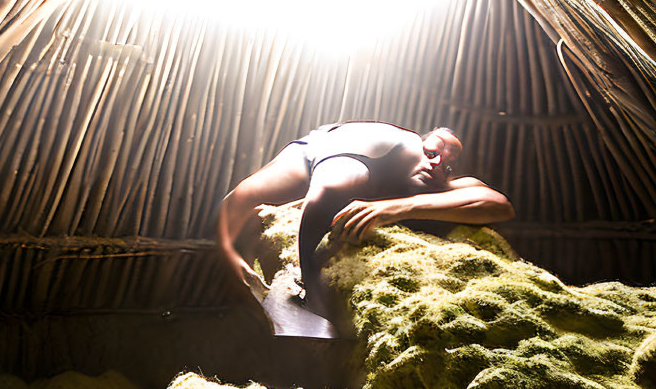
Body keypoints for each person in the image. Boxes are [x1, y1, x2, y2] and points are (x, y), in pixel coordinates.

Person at [216, 121, 513, 313]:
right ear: (419, 145)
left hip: (345, 182)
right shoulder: (388, 150)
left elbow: (499, 204)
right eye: (432, 151)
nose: (437, 164)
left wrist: (395, 208)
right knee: (245, 203)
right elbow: (326, 191)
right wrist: (232, 256)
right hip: (318, 153)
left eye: (448, 165)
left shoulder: (441, 183)